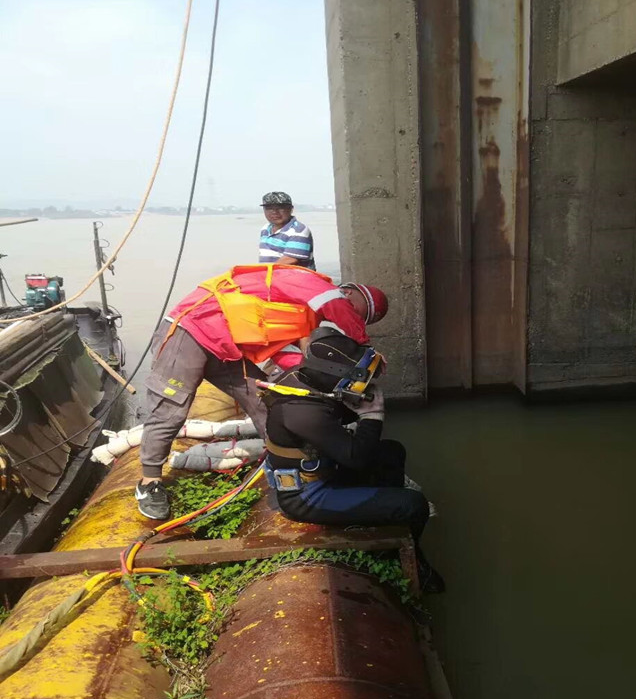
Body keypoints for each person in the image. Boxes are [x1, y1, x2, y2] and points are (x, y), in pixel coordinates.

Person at [135, 264, 388, 520]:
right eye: (358, 311)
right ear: (350, 293)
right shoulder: (315, 286)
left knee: (264, 400)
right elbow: (336, 304)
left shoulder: (304, 314)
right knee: (171, 410)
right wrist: (365, 349)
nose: (351, 316)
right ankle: (149, 482)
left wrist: (320, 389)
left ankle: (283, 466)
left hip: (224, 344)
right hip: (191, 329)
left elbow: (292, 360)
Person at [262, 327, 445, 593]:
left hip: (326, 470)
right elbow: (356, 458)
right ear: (334, 376)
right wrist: (373, 415)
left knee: (392, 450)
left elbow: (339, 416)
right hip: (307, 495)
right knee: (414, 504)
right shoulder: (302, 413)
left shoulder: (302, 381)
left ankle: (381, 516)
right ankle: (405, 556)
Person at [259, 191, 315, 269]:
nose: (275, 212)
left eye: (280, 208)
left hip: (296, 279)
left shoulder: (299, 230)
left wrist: (263, 272)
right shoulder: (265, 229)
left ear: (291, 209)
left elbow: (290, 259)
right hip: (271, 276)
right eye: (269, 208)